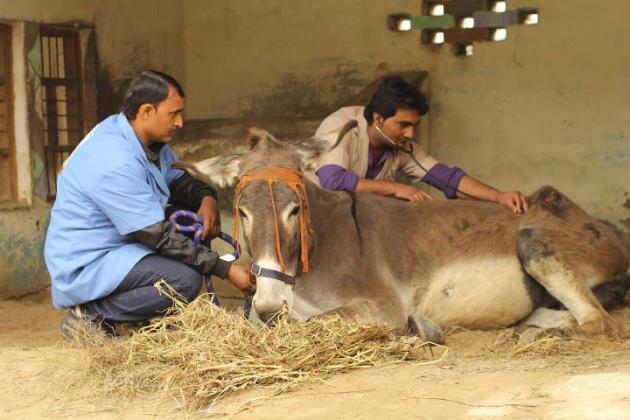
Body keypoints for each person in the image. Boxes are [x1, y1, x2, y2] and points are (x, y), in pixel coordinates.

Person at [44, 70, 254, 338]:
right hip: (89, 260)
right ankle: (87, 316)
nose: (180, 123)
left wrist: (207, 198)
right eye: (173, 114)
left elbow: (177, 180)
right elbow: (157, 235)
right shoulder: (112, 160)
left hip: (120, 248)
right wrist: (226, 269)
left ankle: (133, 317)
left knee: (185, 240)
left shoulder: (142, 139)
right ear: (145, 112)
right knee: (183, 281)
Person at [315, 75, 529, 212]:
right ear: (379, 119)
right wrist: (396, 188)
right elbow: (332, 180)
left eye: (415, 125)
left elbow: (447, 178)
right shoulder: (341, 125)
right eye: (403, 125)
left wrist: (498, 197)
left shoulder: (400, 146)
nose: (410, 133)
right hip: (318, 218)